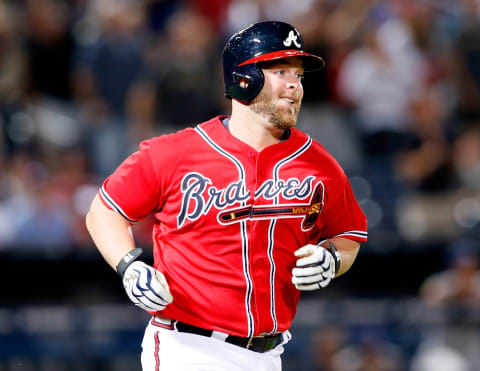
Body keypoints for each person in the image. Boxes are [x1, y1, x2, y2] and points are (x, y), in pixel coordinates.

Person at [85, 21, 368, 371]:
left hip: (270, 353)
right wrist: (128, 266)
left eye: (299, 75)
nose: (295, 85)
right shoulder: (176, 153)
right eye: (281, 71)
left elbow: (348, 235)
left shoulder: (318, 163)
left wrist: (333, 260)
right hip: (188, 347)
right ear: (244, 77)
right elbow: (103, 211)